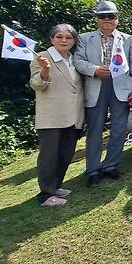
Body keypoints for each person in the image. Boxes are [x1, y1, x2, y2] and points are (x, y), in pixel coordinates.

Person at [74, 1, 132, 188]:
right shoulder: (84, 38)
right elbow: (77, 61)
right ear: (97, 19)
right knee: (95, 130)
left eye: (111, 16)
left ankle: (111, 164)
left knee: (119, 129)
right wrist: (94, 70)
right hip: (96, 86)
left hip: (121, 88)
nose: (107, 20)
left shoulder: (128, 39)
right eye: (103, 16)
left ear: (117, 19)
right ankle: (93, 169)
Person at [29, 24, 84, 207]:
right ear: (52, 39)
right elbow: (36, 84)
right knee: (49, 155)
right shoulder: (43, 57)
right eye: (59, 37)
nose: (63, 40)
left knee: (66, 153)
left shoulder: (74, 58)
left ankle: (56, 186)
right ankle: (45, 194)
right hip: (52, 115)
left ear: (73, 41)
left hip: (73, 114)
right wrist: (44, 72)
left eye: (68, 38)